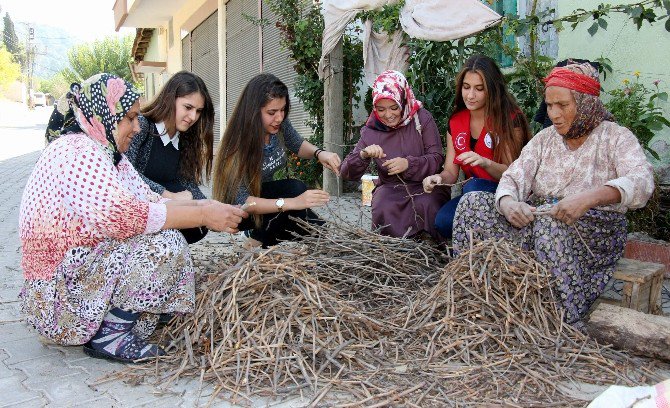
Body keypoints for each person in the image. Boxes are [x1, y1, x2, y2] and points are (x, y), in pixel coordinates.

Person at [19, 74, 247, 363]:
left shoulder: (108, 153)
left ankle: (124, 317)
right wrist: (201, 212)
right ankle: (109, 336)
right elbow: (123, 217)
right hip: (61, 290)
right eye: (129, 118)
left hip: (80, 265)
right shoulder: (77, 150)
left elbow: (147, 197)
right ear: (106, 113)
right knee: (163, 245)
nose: (137, 126)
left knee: (168, 236)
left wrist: (206, 207)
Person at [451, 62, 655, 326]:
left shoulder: (615, 137)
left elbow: (642, 181)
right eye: (549, 105)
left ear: (585, 103)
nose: (554, 114)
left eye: (563, 105)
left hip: (593, 231)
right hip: (540, 222)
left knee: (550, 225)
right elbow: (514, 176)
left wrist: (590, 198)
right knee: (472, 203)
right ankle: (479, 299)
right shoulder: (545, 139)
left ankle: (561, 318)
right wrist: (509, 203)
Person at [212, 73, 341, 248]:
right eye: (271, 112)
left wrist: (320, 153)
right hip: (244, 214)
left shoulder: (278, 124)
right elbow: (245, 202)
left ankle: (267, 237)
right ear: (253, 112)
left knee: (321, 234)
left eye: (283, 110)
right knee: (294, 190)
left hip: (273, 208)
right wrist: (293, 202)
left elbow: (296, 143)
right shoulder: (236, 146)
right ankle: (256, 238)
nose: (279, 118)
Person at [422, 55, 531, 239]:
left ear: (492, 90)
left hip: (506, 195)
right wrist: (438, 178)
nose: (470, 95)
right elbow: (451, 171)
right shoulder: (456, 121)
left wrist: (485, 163)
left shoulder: (509, 119)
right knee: (443, 222)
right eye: (466, 87)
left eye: (479, 89)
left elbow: (513, 174)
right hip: (472, 194)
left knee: (472, 186)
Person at [340, 70, 448, 240]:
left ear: (403, 100)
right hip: (391, 188)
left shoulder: (422, 118)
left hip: (425, 185)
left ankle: (435, 253)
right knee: (382, 203)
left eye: (394, 107)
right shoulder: (372, 130)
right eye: (380, 109)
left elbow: (436, 157)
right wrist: (363, 154)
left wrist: (408, 164)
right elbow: (346, 172)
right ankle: (391, 255)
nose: (388, 115)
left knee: (428, 203)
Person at [125, 71, 215, 244]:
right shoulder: (142, 126)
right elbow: (126, 173)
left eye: (198, 111)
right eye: (188, 108)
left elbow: (187, 183)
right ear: (170, 99)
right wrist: (167, 195)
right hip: (141, 209)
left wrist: (211, 207)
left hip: (167, 210)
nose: (193, 117)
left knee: (200, 224)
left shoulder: (186, 138)